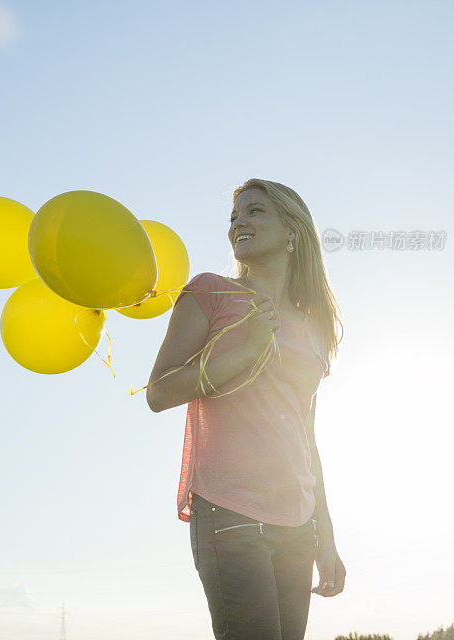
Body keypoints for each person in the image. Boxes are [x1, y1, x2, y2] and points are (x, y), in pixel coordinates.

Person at [146, 178, 346, 639]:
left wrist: (326, 537)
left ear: (293, 230)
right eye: (233, 217)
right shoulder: (211, 293)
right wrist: (245, 352)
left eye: (254, 212)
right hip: (230, 511)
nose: (238, 223)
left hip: (297, 522)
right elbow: (158, 393)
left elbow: (305, 438)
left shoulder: (315, 328)